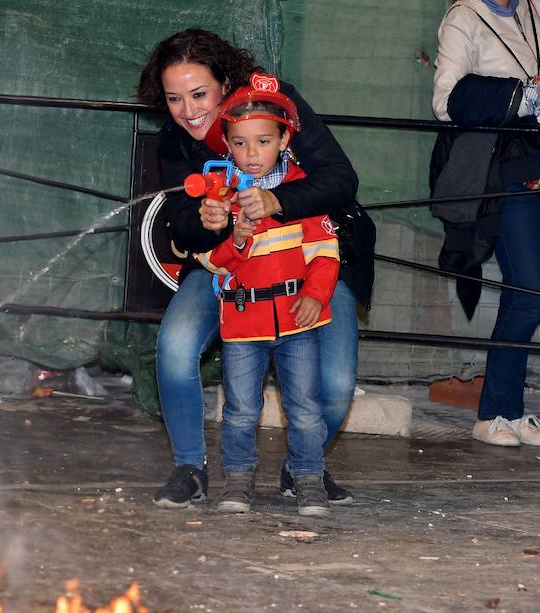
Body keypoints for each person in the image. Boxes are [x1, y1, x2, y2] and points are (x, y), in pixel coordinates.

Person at [136, 28, 374, 508]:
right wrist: (209, 224)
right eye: (174, 99)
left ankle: (303, 468)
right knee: (176, 345)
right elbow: (182, 229)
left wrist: (275, 201)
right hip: (228, 268)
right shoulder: (176, 141)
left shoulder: (275, 102)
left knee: (334, 386)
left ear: (225, 83)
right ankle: (190, 467)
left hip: (307, 259)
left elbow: (340, 180)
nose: (189, 111)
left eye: (199, 93)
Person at [196, 76, 340, 516]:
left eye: (262, 141)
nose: (251, 153)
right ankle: (237, 480)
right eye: (239, 143)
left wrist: (316, 294)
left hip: (298, 321)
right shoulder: (221, 196)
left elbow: (326, 252)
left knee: (306, 409)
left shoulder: (302, 192)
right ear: (227, 146)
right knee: (239, 410)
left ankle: (308, 477)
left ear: (284, 139)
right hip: (243, 323)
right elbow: (213, 263)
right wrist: (235, 240)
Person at [432, 0, 540, 447]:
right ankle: (495, 412)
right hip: (504, 174)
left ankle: (509, 412)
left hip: (537, 163)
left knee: (529, 295)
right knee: (529, 292)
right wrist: (525, 96)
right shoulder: (464, 17)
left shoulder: (537, 10)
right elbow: (444, 102)